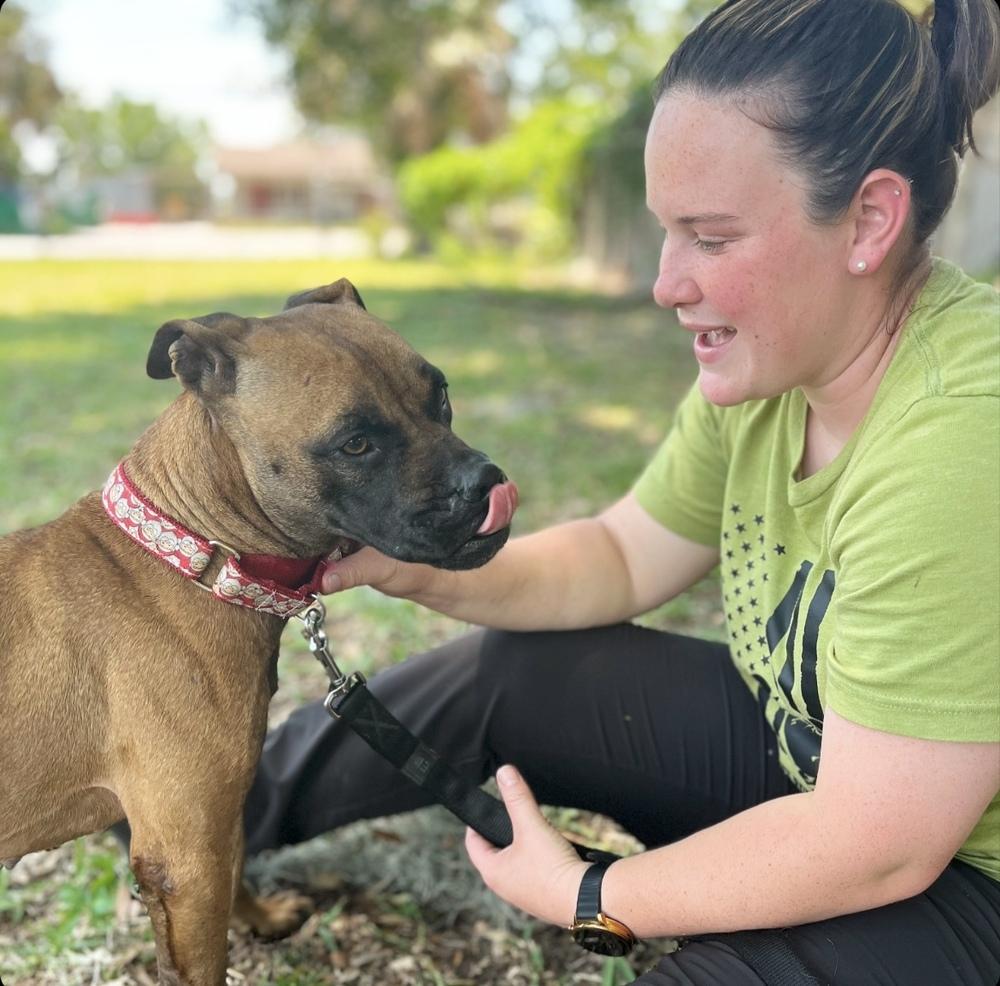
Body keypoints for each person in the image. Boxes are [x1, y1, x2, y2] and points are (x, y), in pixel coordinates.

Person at [244, 0, 1000, 982]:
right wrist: (407, 565)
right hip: (831, 770)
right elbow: (619, 553)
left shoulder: (958, 434)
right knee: (516, 672)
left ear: (867, 220)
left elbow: (881, 840)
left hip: (960, 870)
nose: (664, 282)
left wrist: (592, 897)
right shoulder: (778, 368)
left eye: (710, 237)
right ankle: (219, 804)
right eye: (664, 232)